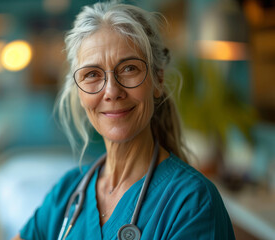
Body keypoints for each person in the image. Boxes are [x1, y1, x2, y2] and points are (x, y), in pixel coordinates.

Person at [14, 1, 235, 239]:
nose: (111, 91)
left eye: (129, 68)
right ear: (79, 92)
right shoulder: (68, 192)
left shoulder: (192, 203)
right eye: (92, 74)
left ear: (158, 80)